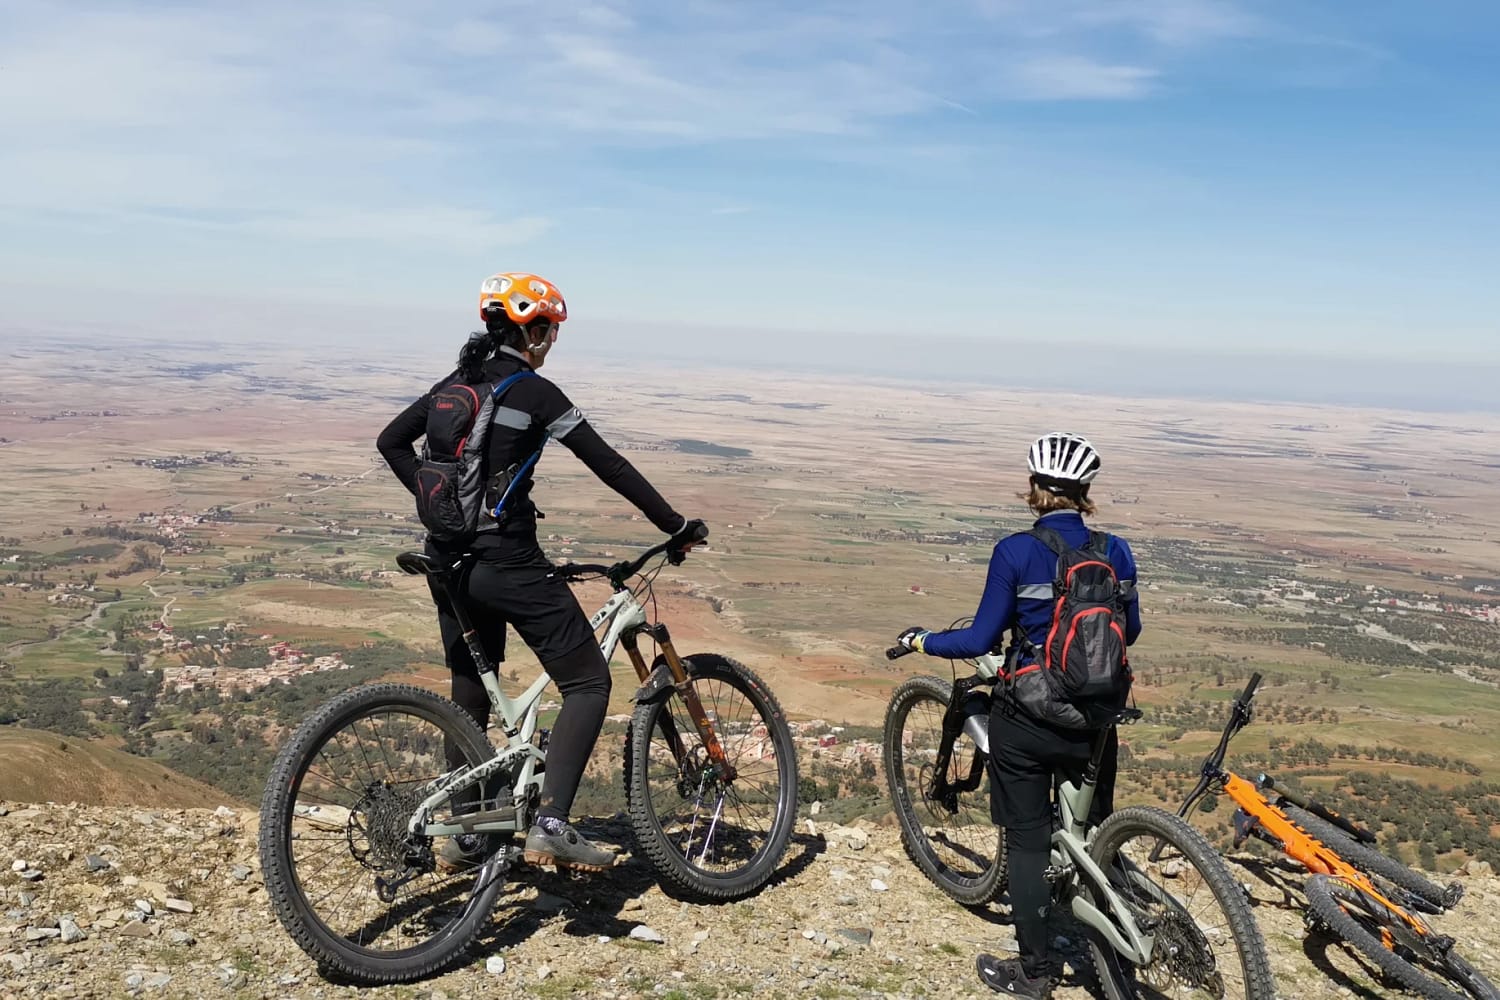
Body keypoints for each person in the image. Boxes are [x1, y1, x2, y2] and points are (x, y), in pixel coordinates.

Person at [377, 272, 703, 872]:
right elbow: (609, 464)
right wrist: (674, 525)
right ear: (532, 331)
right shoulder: (535, 392)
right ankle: (551, 824)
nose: (552, 339)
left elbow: (391, 442)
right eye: (549, 329)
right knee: (588, 683)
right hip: (506, 560)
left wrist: (441, 509)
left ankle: (464, 831)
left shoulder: (454, 385)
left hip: (447, 560)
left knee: (470, 687)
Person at [895, 431, 1141, 998]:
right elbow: (1130, 631)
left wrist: (923, 640)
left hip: (1028, 718)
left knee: (1027, 841)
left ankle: (1034, 973)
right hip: (1097, 718)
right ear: (1085, 491)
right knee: (1094, 831)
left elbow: (979, 638)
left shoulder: (1016, 551)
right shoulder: (1116, 550)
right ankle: (1111, 940)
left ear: (1034, 488)